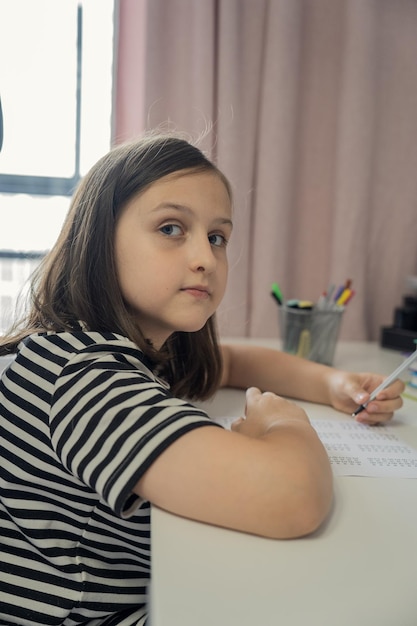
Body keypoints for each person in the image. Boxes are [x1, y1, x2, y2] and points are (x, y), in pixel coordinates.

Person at [0, 133, 404, 626]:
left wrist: (333, 384)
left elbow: (230, 364)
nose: (205, 258)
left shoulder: (134, 350)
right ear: (99, 240)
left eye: (217, 237)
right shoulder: (79, 374)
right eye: (171, 228)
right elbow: (293, 497)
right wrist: (285, 425)